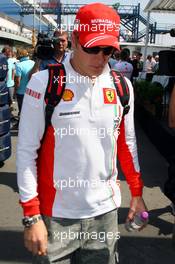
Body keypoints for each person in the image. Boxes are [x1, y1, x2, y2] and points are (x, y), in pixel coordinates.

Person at [17, 3, 147, 264]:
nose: (100, 57)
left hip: (105, 214)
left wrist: (136, 193)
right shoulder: (44, 83)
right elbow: (26, 152)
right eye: (93, 48)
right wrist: (31, 216)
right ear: (74, 40)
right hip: (55, 216)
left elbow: (127, 143)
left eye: (108, 50)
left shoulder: (122, 87)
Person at [14, 48, 35, 116]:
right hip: (32, 91)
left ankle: (21, 124)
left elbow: (17, 81)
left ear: (19, 55)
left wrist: (15, 91)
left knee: (22, 110)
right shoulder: (33, 63)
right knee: (30, 109)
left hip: (21, 92)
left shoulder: (19, 65)